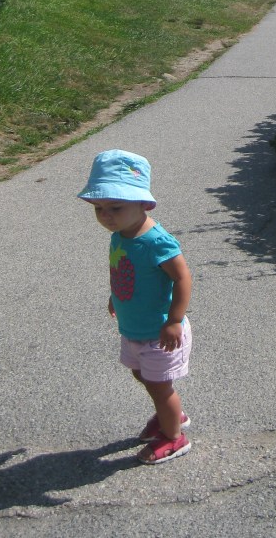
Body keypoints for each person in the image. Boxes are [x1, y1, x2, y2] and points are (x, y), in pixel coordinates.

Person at [78, 148, 193, 465]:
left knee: (159, 386)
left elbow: (183, 278)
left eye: (115, 206)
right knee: (142, 375)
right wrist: (117, 294)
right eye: (98, 208)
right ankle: (170, 414)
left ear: (143, 204)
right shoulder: (120, 234)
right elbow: (126, 271)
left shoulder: (156, 241)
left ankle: (174, 436)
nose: (105, 215)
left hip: (159, 331)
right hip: (134, 327)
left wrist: (174, 320)